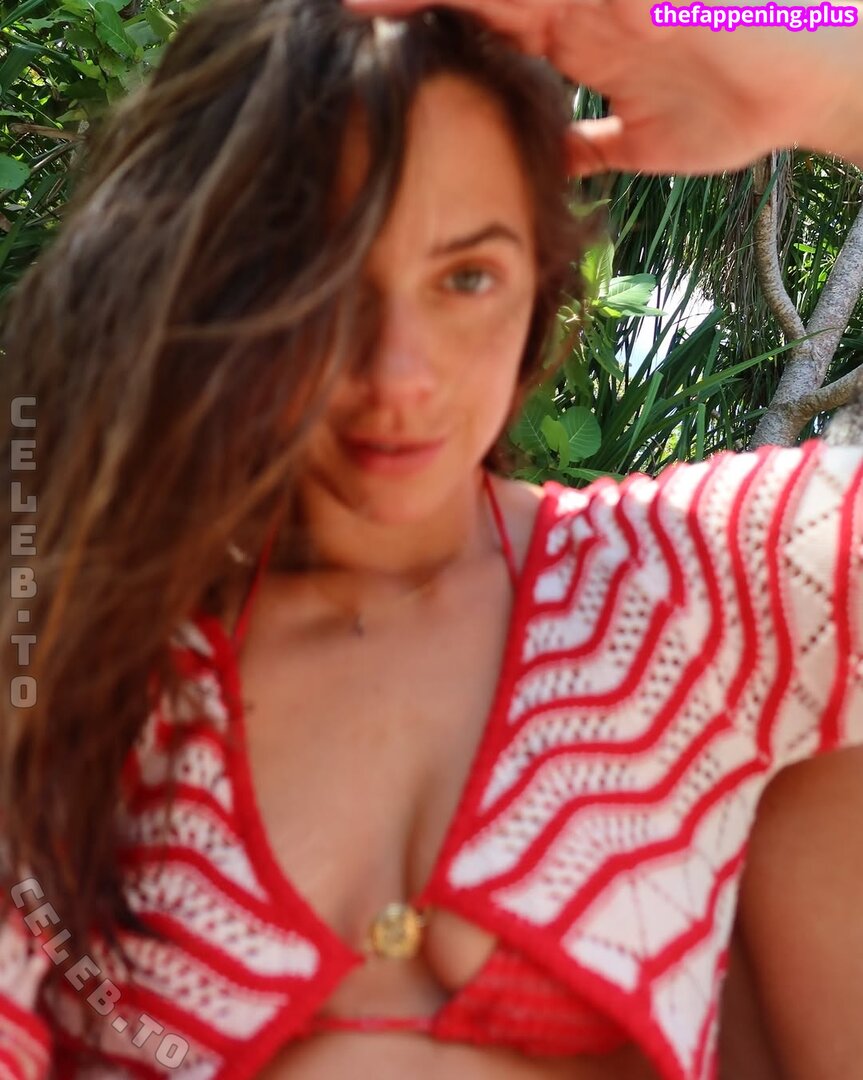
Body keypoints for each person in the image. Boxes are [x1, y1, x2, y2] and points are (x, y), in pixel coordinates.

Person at [1, 3, 861, 1080]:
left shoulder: (715, 580)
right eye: (323, 283)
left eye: (466, 277)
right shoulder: (75, 676)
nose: (400, 375)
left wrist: (817, 62)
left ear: (540, 280)